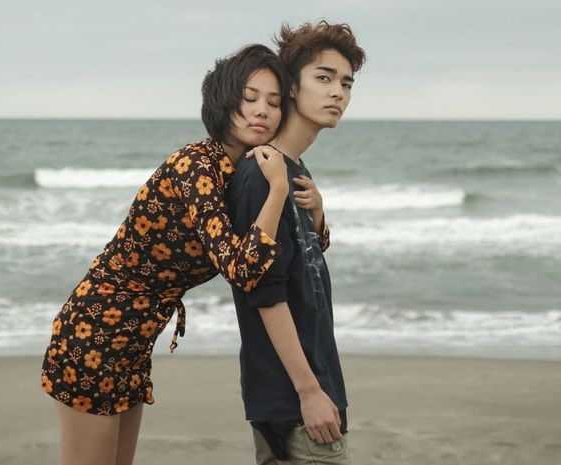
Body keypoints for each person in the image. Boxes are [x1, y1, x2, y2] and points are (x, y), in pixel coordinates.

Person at [40, 44, 292, 465]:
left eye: (273, 102)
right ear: (224, 101)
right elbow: (243, 269)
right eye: (249, 99)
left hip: (132, 343)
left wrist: (316, 215)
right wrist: (280, 189)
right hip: (95, 334)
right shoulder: (197, 165)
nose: (261, 111)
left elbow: (281, 253)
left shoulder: (241, 174)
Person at [226, 21, 366, 464]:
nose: (337, 92)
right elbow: (265, 293)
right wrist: (309, 392)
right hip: (295, 402)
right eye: (323, 78)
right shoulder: (261, 173)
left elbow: (303, 267)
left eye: (345, 83)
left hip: (312, 390)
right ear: (290, 87)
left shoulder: (295, 173)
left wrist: (320, 215)